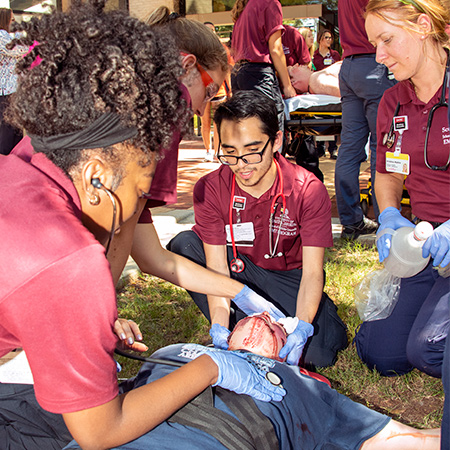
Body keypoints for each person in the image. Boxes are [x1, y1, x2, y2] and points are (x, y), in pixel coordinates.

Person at [0, 2, 284, 449]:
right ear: (97, 176)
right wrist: (213, 366)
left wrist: (81, 317)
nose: (141, 202)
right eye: (141, 186)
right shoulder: (69, 261)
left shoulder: (17, 168)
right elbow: (100, 432)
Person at [65, 314, 440, 450]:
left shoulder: (304, 384)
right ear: (225, 336)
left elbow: (401, 439)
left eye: (278, 324)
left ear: (286, 350)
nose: (263, 315)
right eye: (248, 316)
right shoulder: (177, 349)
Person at [168, 91, 348, 369]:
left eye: (252, 151)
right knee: (185, 247)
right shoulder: (211, 188)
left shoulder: (307, 189)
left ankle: (270, 326)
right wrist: (218, 323)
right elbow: (216, 271)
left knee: (319, 355)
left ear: (276, 141)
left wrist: (300, 325)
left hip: (288, 279)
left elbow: (313, 272)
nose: (241, 166)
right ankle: (240, 329)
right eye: (229, 152)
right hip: (237, 272)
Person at [353, 0, 450, 384]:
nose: (379, 56)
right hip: (427, 242)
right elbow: (388, 174)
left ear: (423, 26)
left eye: (387, 39)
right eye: (375, 43)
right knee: (381, 353)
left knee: (428, 348)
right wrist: (390, 217)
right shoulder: (393, 102)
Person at [335, 0, 397, 239]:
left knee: (350, 147)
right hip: (374, 63)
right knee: (382, 146)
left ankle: (351, 222)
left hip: (349, 65)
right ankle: (387, 222)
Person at [230, 0, 296, 136]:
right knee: (270, 130)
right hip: (258, 73)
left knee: (247, 132)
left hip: (239, 73)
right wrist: (287, 85)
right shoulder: (270, 3)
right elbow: (276, 49)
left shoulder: (245, 7)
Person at [201, 21, 232, 163]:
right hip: (202, 91)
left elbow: (227, 70)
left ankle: (217, 151)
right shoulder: (197, 49)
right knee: (205, 122)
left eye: (212, 30)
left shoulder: (222, 49)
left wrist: (230, 89)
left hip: (219, 92)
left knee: (219, 123)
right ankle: (207, 150)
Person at [0, 8, 27, 155]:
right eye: (12, 20)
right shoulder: (1, 36)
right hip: (5, 90)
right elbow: (20, 50)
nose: (14, 22)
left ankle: (14, 161)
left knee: (14, 129)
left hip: (11, 89)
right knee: (8, 129)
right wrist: (19, 33)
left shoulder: (6, 37)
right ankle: (5, 163)